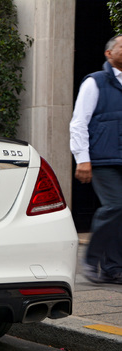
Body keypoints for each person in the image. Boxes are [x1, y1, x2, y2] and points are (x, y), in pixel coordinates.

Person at [70, 34, 122, 283]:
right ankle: (91, 260)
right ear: (109, 53)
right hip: (103, 159)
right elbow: (79, 122)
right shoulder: (95, 82)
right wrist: (82, 158)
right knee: (115, 206)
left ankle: (114, 268)